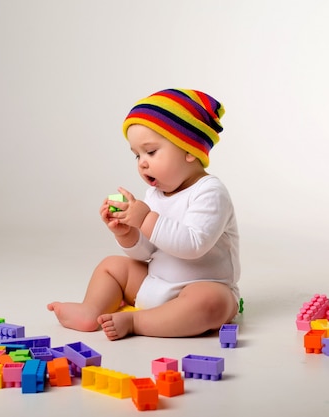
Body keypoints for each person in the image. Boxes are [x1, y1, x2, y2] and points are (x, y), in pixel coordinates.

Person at [47, 88, 241, 341]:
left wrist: (145, 219)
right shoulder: (154, 194)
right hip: (153, 283)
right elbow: (147, 253)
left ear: (189, 149)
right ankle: (91, 310)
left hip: (198, 289)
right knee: (111, 265)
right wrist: (128, 235)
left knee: (213, 302)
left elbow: (193, 245)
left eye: (150, 152)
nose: (142, 163)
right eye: (137, 155)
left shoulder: (210, 192)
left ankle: (136, 321)